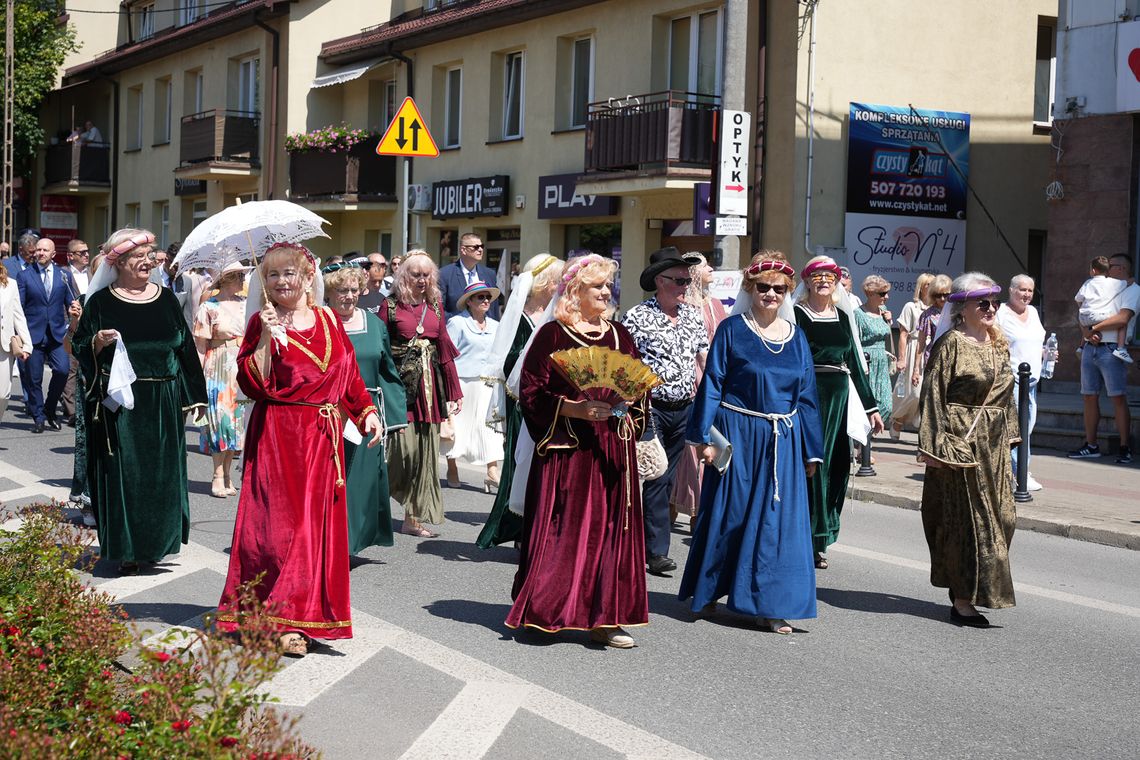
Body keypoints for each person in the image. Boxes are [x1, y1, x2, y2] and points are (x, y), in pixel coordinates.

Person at [216, 243, 383, 657]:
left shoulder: (328, 319)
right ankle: (275, 620)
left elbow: (348, 375)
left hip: (323, 440)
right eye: (272, 276)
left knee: (314, 533)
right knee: (276, 533)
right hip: (278, 435)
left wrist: (365, 413)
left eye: (289, 273)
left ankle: (301, 615)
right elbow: (252, 385)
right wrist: (265, 342)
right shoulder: (260, 323)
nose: (281, 282)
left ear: (309, 278)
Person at [506, 253, 649, 648]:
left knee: (610, 532)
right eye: (596, 286)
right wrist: (572, 408)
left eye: (608, 286)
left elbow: (638, 392)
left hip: (610, 448)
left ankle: (607, 618)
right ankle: (545, 612)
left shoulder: (621, 336)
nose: (606, 292)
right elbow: (530, 393)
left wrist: (622, 408)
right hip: (567, 448)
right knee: (562, 528)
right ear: (575, 291)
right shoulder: (553, 334)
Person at [679, 252, 822, 634]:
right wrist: (704, 440)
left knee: (776, 525)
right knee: (729, 516)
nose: (771, 294)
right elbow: (711, 385)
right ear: (749, 288)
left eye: (778, 288)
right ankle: (708, 591)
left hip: (783, 442)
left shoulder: (797, 337)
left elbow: (806, 396)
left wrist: (812, 450)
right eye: (763, 287)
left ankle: (769, 606)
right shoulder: (732, 330)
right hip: (737, 435)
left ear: (788, 292)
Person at [71, 229, 208, 574]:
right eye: (139, 257)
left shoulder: (165, 299)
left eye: (150, 255)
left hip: (163, 402)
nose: (148, 262)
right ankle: (127, 548)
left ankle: (157, 544)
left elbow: (185, 348)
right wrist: (97, 343)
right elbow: (78, 345)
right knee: (127, 477)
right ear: (118, 263)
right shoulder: (101, 302)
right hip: (122, 407)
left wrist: (195, 397)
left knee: (160, 477)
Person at [918, 272, 1019, 628]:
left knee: (1004, 519)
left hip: (993, 445)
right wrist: (935, 446)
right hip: (960, 443)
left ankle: (978, 587)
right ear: (962, 308)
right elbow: (931, 395)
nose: (991, 308)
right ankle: (964, 600)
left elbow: (1006, 396)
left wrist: (1010, 436)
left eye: (994, 302)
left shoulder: (997, 342)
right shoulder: (951, 344)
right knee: (969, 524)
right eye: (983, 302)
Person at [621, 246, 708, 576]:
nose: (685, 286)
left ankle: (650, 547)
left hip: (683, 408)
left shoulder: (691, 316)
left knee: (666, 479)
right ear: (660, 280)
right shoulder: (637, 317)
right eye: (679, 280)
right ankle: (652, 550)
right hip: (649, 407)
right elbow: (624, 364)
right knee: (653, 474)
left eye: (688, 280)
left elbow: (703, 359)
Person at [793, 255, 884, 569]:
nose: (823, 281)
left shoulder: (843, 317)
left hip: (839, 397)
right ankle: (809, 538)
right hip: (809, 395)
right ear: (807, 281)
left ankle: (826, 533)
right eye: (817, 276)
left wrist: (871, 407)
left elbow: (856, 365)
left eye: (828, 277)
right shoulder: (797, 314)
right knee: (812, 465)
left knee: (837, 466)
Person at [476, 253, 564, 549]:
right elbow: (509, 361)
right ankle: (520, 526)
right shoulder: (519, 317)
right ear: (544, 283)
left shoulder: (557, 314)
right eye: (556, 280)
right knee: (521, 463)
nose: (559, 285)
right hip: (523, 404)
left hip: (553, 404)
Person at [323, 261, 407, 555]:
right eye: (341, 290)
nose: (348, 296)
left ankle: (350, 544)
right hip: (330, 413)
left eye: (353, 290)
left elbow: (387, 371)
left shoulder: (375, 324)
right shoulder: (321, 322)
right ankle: (333, 545)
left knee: (361, 483)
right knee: (334, 480)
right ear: (329, 293)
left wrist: (396, 416)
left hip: (366, 413)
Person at [381, 251, 464, 538]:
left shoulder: (436, 306)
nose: (422, 279)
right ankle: (374, 499)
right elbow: (379, 351)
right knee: (401, 452)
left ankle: (412, 518)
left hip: (429, 391)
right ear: (404, 276)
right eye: (416, 274)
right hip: (400, 390)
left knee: (424, 456)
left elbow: (444, 349)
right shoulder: (390, 306)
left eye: (427, 275)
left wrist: (455, 390)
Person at [670, 252, 728, 527]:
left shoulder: (716, 304)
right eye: (706, 265)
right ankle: (682, 502)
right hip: (689, 379)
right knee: (688, 447)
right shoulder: (682, 305)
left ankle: (699, 505)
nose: (712, 268)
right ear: (694, 272)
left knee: (709, 442)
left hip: (713, 379)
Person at [1070, 253, 1138, 463]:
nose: (1107, 271)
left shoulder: (1132, 289)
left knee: (1117, 397)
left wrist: (1093, 328)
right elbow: (1083, 310)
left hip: (1111, 349)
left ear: (1122, 268)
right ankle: (1091, 445)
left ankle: (1124, 446)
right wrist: (1087, 333)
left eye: (1112, 266)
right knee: (1089, 396)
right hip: (1091, 346)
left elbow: (1122, 317)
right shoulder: (1101, 286)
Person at [192, 261, 249, 498]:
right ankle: (217, 474)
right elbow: (199, 345)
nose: (243, 281)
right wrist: (198, 377)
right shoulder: (209, 307)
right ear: (225, 279)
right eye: (238, 276)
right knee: (219, 422)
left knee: (237, 423)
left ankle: (227, 473)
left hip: (241, 364)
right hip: (217, 366)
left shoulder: (247, 305)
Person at [444, 281, 504, 491]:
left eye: (488, 297)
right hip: (462, 384)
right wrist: (449, 387)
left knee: (489, 430)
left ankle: (491, 471)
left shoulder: (497, 326)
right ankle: (452, 467)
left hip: (488, 385)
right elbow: (447, 356)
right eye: (480, 297)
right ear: (469, 302)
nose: (486, 300)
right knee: (458, 428)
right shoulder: (457, 323)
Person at [16, 237, 80, 433]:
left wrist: (74, 309)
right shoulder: (25, 275)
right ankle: (38, 416)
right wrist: (19, 335)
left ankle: (50, 408)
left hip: (57, 333)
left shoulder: (63, 275)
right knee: (33, 378)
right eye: (38, 250)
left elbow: (71, 300)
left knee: (62, 370)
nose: (40, 253)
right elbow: (19, 306)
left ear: (53, 254)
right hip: (32, 334)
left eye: (45, 250)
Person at [996, 275, 1046, 491]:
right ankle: (1020, 474)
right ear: (1011, 290)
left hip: (1033, 381)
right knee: (1017, 429)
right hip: (1013, 380)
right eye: (1022, 290)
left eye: (1030, 291)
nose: (1026, 294)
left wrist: (1047, 353)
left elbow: (1035, 342)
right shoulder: (1001, 313)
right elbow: (994, 343)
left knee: (1027, 428)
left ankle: (1013, 470)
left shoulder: (1033, 312)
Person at [890, 272, 934, 437]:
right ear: (921, 288)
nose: (930, 288)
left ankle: (922, 431)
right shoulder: (911, 307)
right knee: (913, 392)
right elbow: (903, 334)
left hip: (930, 350)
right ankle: (899, 418)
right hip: (913, 348)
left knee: (926, 393)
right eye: (927, 285)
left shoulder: (937, 309)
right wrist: (901, 358)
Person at [853, 274, 895, 426]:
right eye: (882, 294)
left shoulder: (883, 310)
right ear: (870, 294)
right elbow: (855, 341)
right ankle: (862, 443)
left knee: (886, 405)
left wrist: (889, 321)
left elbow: (884, 333)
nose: (887, 297)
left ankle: (866, 436)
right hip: (867, 362)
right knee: (866, 404)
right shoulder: (858, 314)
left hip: (881, 362)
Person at [1074, 256, 1131, 363]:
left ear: (1093, 271)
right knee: (1121, 321)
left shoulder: (1087, 283)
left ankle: (1081, 347)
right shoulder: (1113, 282)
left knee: (1088, 324)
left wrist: (1083, 308)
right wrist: (1130, 280)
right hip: (1102, 316)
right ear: (1107, 270)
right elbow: (1126, 283)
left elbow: (1078, 299)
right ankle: (1121, 348)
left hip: (1084, 318)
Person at [439, 233, 501, 319]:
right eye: (476, 247)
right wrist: (459, 322)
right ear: (463, 250)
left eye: (481, 246)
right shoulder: (444, 274)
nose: (480, 250)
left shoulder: (489, 274)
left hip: (485, 329)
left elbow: (494, 309)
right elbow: (439, 310)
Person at [0, 260, 32, 424]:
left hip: (3, 345)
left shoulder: (10, 284)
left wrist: (27, 344)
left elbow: (18, 315)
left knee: (2, 394)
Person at [911, 273, 953, 386]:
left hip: (955, 355)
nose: (942, 298)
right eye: (938, 295)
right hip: (934, 357)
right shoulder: (927, 315)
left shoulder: (957, 312)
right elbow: (920, 343)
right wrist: (916, 370)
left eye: (946, 295)